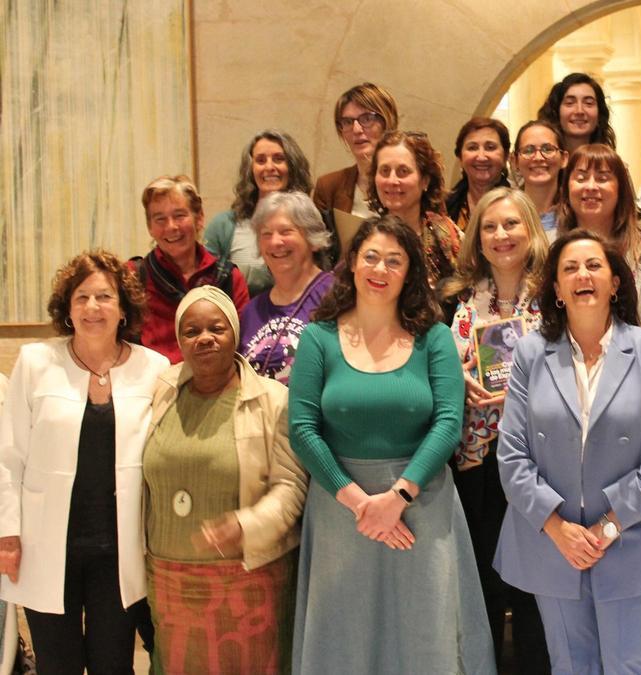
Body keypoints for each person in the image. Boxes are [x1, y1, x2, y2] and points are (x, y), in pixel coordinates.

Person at [288, 216, 493, 674]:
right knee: (344, 634)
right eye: (371, 257)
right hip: (341, 509)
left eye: (394, 261)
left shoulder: (434, 337)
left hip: (421, 503)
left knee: (427, 633)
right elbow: (301, 428)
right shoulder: (319, 337)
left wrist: (398, 496)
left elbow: (448, 423)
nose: (380, 269)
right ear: (352, 264)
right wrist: (361, 503)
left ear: (410, 272)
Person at [495, 229, 641, 674]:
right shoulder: (529, 353)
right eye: (570, 268)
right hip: (551, 541)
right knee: (569, 665)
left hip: (631, 537)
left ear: (615, 282)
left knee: (630, 665)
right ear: (557, 289)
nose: (583, 275)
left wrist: (606, 528)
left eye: (594, 265)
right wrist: (558, 528)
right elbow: (512, 456)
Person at [0, 251, 169, 674]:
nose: (93, 307)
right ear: (68, 308)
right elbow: (9, 454)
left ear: (123, 309)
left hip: (120, 549)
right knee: (57, 664)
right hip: (46, 544)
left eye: (105, 297)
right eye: (82, 297)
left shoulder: (154, 369)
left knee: (114, 663)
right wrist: (7, 534)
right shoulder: (36, 362)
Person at [142, 285, 307, 674]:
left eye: (216, 328)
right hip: (170, 586)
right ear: (179, 340)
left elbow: (291, 488)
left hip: (248, 586)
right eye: (191, 331)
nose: (204, 338)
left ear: (235, 333)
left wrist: (245, 525)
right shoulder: (160, 392)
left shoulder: (273, 400)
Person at [440, 187, 551, 674]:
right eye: (489, 226)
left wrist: (524, 391)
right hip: (477, 463)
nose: (501, 235)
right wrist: (454, 377)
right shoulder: (457, 301)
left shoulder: (556, 296)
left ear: (531, 230)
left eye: (510, 224)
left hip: (540, 462)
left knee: (535, 592)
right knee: (484, 585)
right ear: (476, 238)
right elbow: (436, 370)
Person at [132, 175, 250, 364]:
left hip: (215, 379)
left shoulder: (229, 278)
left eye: (179, 215)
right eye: (160, 219)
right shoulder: (133, 278)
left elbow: (243, 348)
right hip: (154, 381)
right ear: (150, 228)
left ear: (199, 218)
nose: (171, 227)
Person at [238, 192, 336, 384]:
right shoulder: (252, 311)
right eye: (266, 234)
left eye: (285, 232)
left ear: (312, 239)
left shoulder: (336, 295)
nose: (275, 242)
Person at [205, 129, 315, 296]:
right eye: (261, 160)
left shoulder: (309, 223)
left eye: (278, 159)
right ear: (250, 169)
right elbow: (207, 287)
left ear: (292, 166)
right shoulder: (223, 226)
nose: (269, 167)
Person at [558, 144, 641, 318]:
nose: (591, 186)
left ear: (621, 189)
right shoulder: (555, 249)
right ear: (567, 189)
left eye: (602, 178)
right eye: (581, 178)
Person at [313, 82, 400, 257]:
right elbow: (318, 254)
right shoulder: (329, 187)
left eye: (366, 119)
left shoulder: (408, 184)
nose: (356, 129)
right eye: (347, 122)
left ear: (387, 121)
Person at [369, 130, 461, 288]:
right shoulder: (366, 239)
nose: (392, 180)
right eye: (384, 171)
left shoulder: (449, 235)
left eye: (403, 171)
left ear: (425, 181)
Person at [445, 118, 512, 230]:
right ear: (460, 157)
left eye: (490, 147)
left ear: (505, 156)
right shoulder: (444, 207)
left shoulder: (519, 206)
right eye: (472, 148)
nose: (481, 157)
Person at [510, 120, 567, 236]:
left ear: (564, 159)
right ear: (514, 161)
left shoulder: (578, 215)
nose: (538, 158)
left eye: (548, 149)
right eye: (528, 151)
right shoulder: (502, 212)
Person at [537, 73, 616, 153]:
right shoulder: (540, 158)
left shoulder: (608, 160)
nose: (579, 111)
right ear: (556, 111)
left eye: (588, 103)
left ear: (599, 113)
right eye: (570, 103)